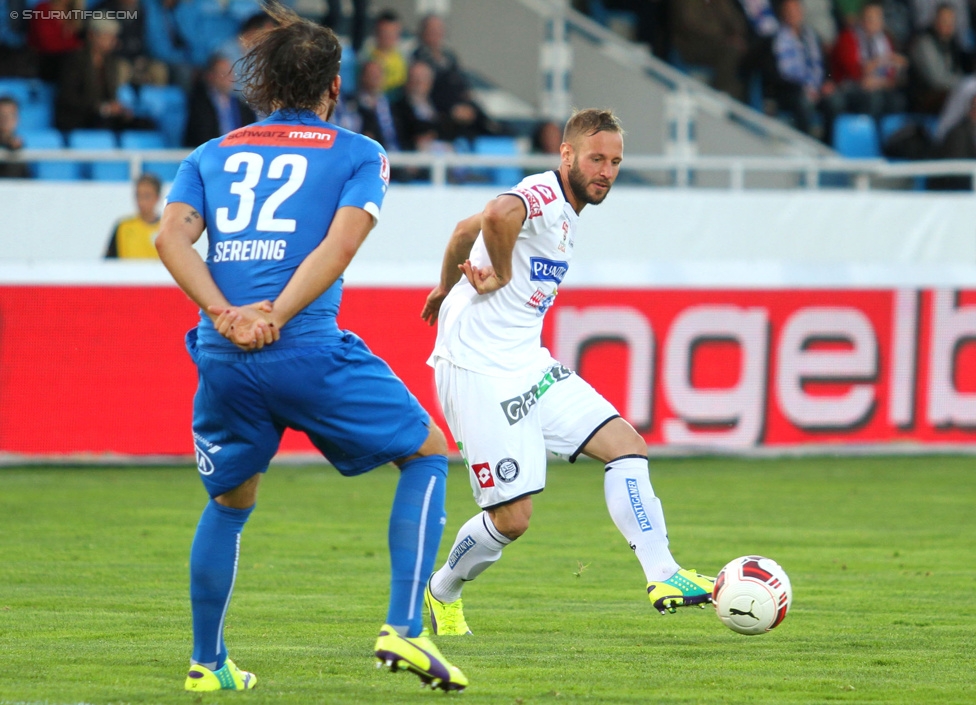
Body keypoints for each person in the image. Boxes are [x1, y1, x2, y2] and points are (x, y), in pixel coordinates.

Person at [154, 3, 467, 693]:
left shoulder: (210, 154)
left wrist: (226, 314)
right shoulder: (360, 154)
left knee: (230, 502)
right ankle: (404, 629)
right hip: (303, 347)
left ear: (265, 85)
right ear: (333, 88)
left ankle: (208, 664)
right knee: (426, 452)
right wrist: (272, 317)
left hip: (222, 357)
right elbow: (340, 245)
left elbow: (169, 237)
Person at [419, 109, 715, 637]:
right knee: (512, 521)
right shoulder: (544, 194)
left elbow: (465, 230)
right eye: (596, 158)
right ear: (567, 156)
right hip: (477, 368)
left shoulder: (569, 211)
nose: (606, 171)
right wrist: (502, 274)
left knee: (626, 443)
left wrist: (443, 289)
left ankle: (664, 575)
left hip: (527, 361)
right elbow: (492, 214)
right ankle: (442, 590)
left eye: (616, 162)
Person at [830, 1, 909, 121]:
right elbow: (857, 74)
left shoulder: (885, 39)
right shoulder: (848, 37)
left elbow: (892, 76)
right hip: (849, 88)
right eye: (869, 18)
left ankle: (891, 137)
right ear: (861, 19)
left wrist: (883, 78)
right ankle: (867, 136)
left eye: (877, 18)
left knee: (897, 101)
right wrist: (881, 61)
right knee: (874, 99)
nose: (873, 22)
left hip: (878, 86)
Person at [772, 0, 839, 140]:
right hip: (791, 91)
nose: (793, 15)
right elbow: (775, 75)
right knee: (804, 103)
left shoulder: (812, 36)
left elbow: (826, 65)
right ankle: (806, 145)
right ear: (783, 14)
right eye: (788, 12)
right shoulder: (776, 39)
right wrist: (802, 88)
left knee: (834, 102)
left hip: (816, 88)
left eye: (795, 11)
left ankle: (827, 145)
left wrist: (827, 80)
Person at [908, 2, 972, 113]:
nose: (948, 25)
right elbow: (936, 80)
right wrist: (963, 84)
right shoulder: (924, 43)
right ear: (935, 21)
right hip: (926, 97)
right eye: (944, 20)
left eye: (951, 21)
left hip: (948, 92)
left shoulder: (953, 43)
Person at [183, 53, 257, 147]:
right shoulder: (199, 105)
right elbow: (200, 135)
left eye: (231, 73)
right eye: (223, 73)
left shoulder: (243, 107)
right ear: (211, 76)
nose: (228, 78)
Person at [104, 173, 162, 258]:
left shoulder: (166, 229)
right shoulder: (123, 227)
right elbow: (108, 263)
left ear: (157, 197)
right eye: (138, 195)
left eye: (147, 196)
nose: (141, 202)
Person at [0, 95, 29, 179]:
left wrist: (15, 150)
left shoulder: (19, 145)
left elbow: (18, 180)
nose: (5, 120)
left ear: (17, 119)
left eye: (11, 115)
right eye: (2, 115)